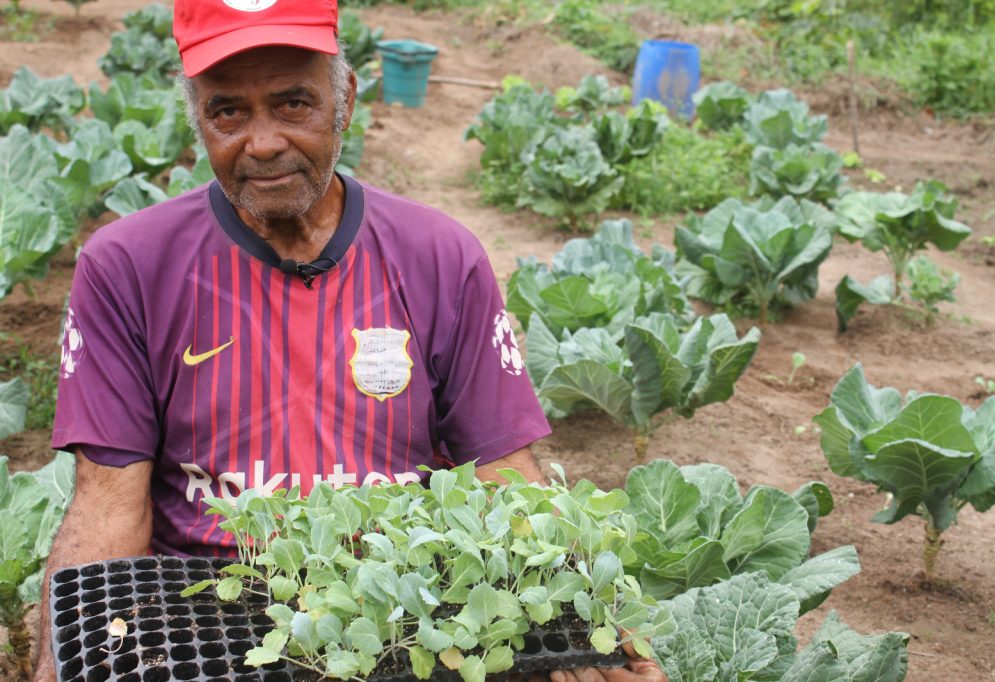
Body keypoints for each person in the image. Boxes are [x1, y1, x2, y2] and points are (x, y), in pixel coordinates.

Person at [35, 1, 667, 681]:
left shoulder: (438, 256)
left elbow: (503, 473)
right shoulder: (129, 265)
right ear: (197, 117)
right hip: (205, 620)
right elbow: (108, 506)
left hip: (401, 618)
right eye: (228, 112)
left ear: (346, 101)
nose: (265, 141)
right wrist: (60, 661)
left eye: (293, 103)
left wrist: (579, 616)